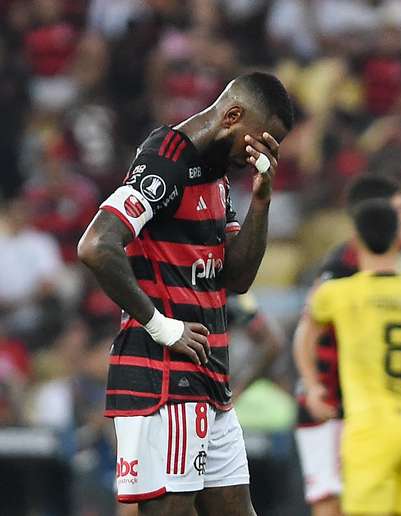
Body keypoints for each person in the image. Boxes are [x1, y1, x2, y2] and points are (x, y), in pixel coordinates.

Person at [77, 71, 293, 516]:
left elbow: (236, 279)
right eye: (262, 139)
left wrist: (262, 200)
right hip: (165, 381)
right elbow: (97, 245)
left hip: (208, 381)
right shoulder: (167, 160)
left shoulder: (216, 172)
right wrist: (162, 327)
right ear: (233, 116)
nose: (263, 152)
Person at [296, 199, 401, 516]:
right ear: (399, 238)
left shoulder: (341, 294)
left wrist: (312, 385)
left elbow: (306, 333)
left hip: (372, 426)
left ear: (355, 238)